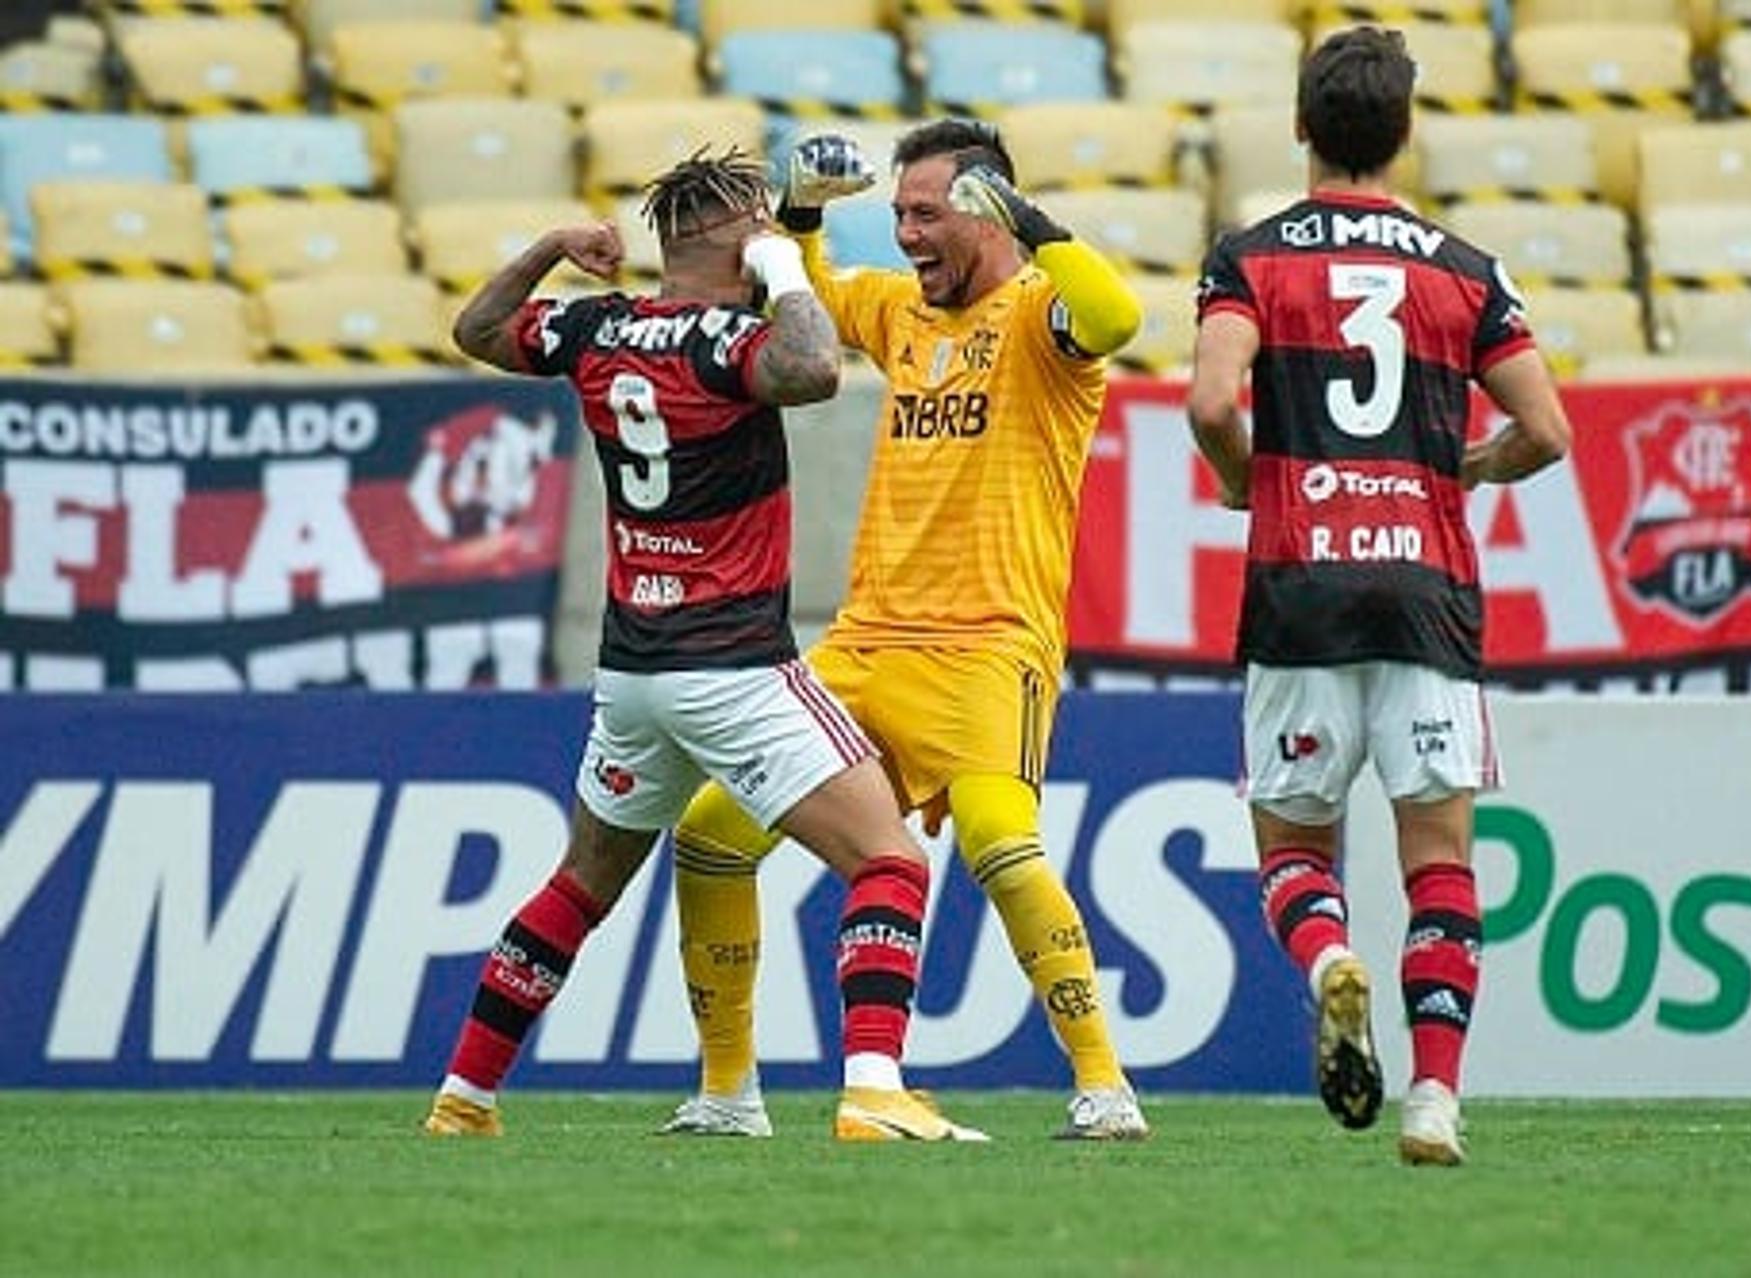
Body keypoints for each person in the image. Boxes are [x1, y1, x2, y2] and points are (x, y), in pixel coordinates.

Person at [421, 148, 985, 1143]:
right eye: (760, 221)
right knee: (892, 861)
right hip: (735, 670)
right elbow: (811, 367)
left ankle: (464, 1098)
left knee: (578, 887)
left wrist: (553, 246)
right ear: (736, 240)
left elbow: (474, 329)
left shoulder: (598, 325)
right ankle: (872, 1089)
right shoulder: (727, 340)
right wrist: (782, 271)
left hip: (633, 677)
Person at [660, 120, 1153, 1141]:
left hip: (988, 645)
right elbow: (802, 289)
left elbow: (1116, 315)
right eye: (897, 216)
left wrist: (1030, 222)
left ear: (985, 212)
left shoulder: (1039, 320)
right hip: (864, 644)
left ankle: (1105, 1086)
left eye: (926, 215)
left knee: (999, 844)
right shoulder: (899, 314)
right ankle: (726, 1096)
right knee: (710, 834)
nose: (907, 236)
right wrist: (800, 212)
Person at [1186, 27, 1572, 1167]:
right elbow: (1547, 430)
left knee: (1296, 853)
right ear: (1405, 135)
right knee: (1440, 864)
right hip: (1428, 595)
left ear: (1302, 128)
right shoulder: (1467, 270)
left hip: (1300, 587)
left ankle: (1328, 963)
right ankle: (1436, 1101)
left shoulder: (1251, 256)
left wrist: (1245, 484)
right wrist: (1468, 466)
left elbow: (1213, 403)